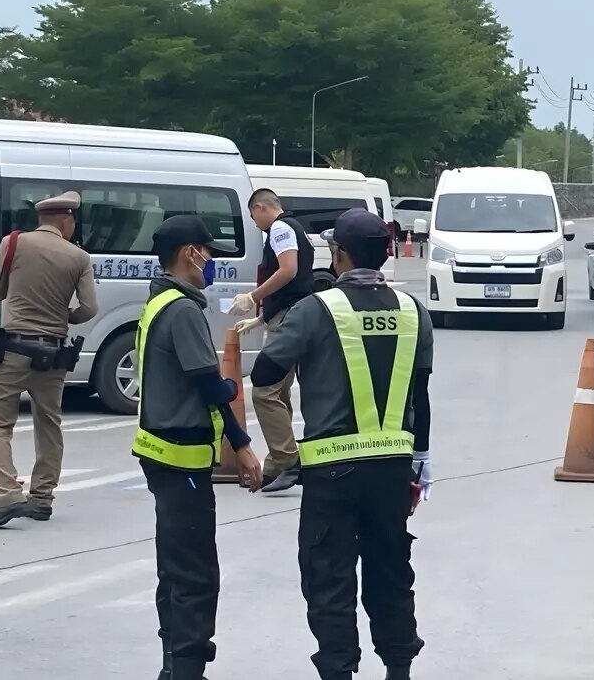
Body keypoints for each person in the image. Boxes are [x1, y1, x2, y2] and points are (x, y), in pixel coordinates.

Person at [250, 209, 433, 680]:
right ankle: (398, 669)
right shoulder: (414, 311)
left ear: (340, 255)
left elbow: (265, 372)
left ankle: (338, 672)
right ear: (388, 253)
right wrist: (420, 464)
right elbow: (421, 395)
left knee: (329, 577)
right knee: (390, 572)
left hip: (331, 472)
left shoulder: (316, 309)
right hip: (393, 470)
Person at [133, 215, 263, 680]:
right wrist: (230, 387)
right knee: (194, 573)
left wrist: (241, 442)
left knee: (176, 568)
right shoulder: (183, 310)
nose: (210, 261)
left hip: (161, 452)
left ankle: (175, 664)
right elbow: (209, 386)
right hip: (181, 456)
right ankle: (185, 668)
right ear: (191, 252)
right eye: (207, 252)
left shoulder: (159, 300)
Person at [0, 191, 98, 529]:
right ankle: (42, 498)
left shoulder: (14, 243)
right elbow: (89, 308)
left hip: (14, 350)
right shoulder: (78, 257)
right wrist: (65, 316)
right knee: (49, 424)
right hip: (54, 354)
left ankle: (8, 496)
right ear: (66, 220)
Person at [228, 188, 316, 492]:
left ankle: (288, 460)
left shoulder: (279, 228)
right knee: (280, 392)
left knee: (265, 391)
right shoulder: (295, 228)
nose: (254, 222)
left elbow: (289, 271)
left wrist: (253, 296)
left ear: (262, 207)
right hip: (291, 315)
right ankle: (279, 463)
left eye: (253, 215)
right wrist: (262, 318)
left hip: (290, 319)